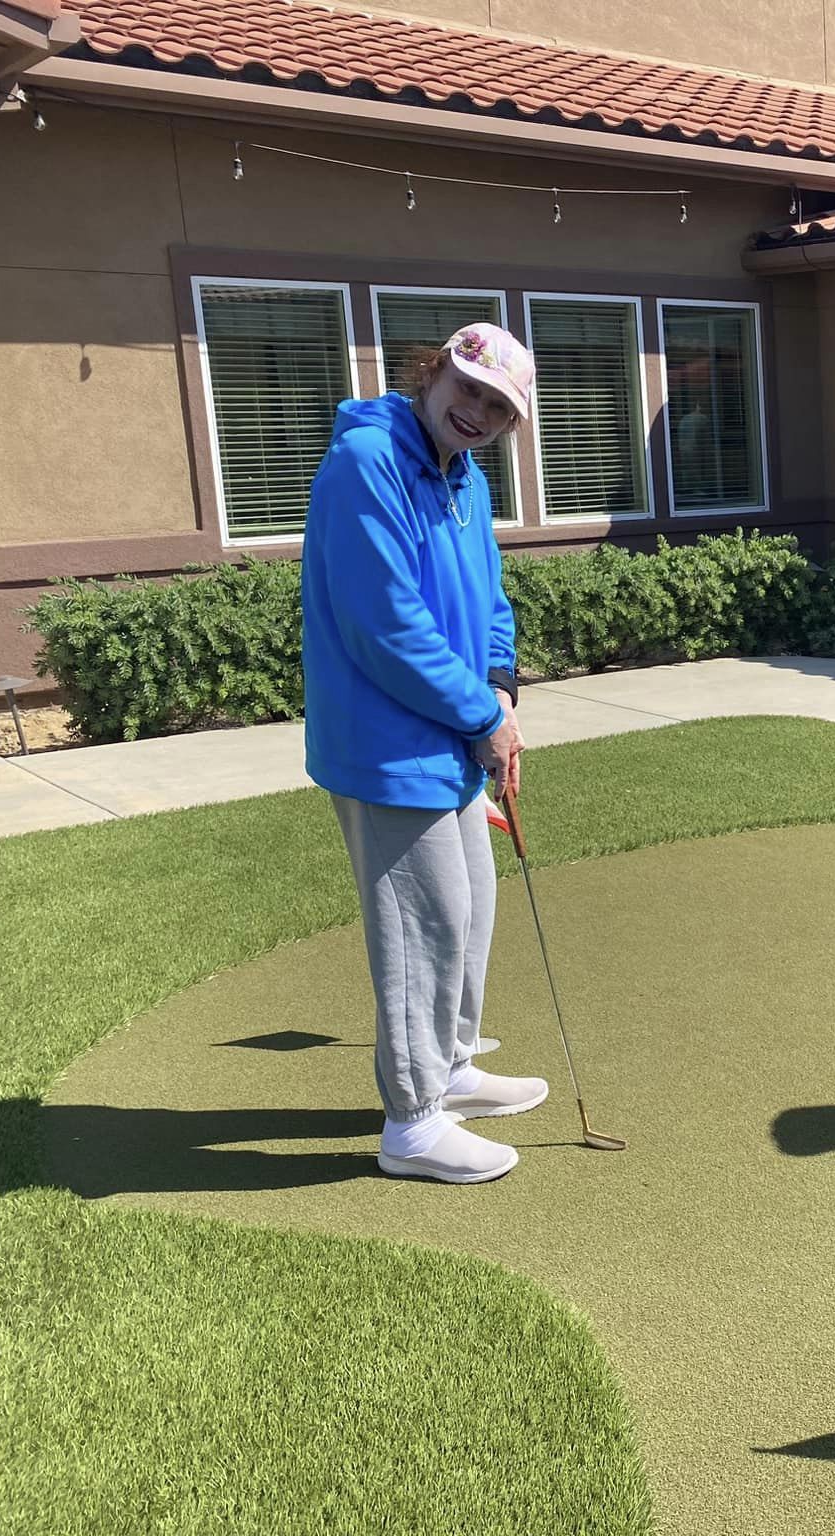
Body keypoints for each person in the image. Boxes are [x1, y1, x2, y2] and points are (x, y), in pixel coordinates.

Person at [301, 322, 548, 1184]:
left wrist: (502, 688)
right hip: (385, 745)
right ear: (434, 371)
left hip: (449, 735)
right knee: (422, 925)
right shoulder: (368, 464)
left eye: (498, 406)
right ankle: (412, 1121)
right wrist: (484, 715)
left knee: (473, 907)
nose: (476, 411)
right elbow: (386, 629)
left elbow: (489, 602)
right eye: (468, 388)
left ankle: (448, 1069)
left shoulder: (466, 479)